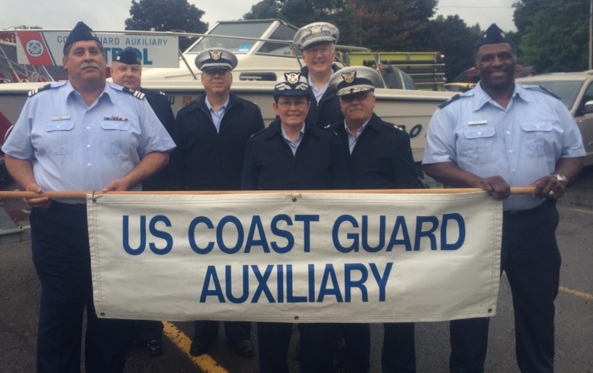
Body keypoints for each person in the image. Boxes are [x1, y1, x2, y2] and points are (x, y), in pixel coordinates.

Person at [2, 21, 175, 373]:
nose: (88, 57)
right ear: (65, 62)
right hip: (56, 223)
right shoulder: (40, 103)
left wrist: (129, 180)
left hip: (114, 221)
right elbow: (15, 154)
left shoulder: (135, 104)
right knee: (58, 313)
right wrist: (29, 185)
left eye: (94, 51)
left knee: (110, 315)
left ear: (105, 64)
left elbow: (160, 151)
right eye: (79, 52)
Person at [422, 23, 585, 373]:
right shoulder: (453, 111)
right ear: (476, 66)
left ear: (515, 61)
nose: (497, 62)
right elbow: (436, 163)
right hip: (476, 225)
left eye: (504, 56)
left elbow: (574, 154)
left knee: (538, 308)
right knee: (469, 310)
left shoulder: (549, 106)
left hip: (534, 224)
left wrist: (560, 177)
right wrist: (476, 181)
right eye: (488, 58)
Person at [242, 72, 347, 373]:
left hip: (319, 250)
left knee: (318, 331)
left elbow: (343, 194)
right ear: (275, 107)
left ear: (309, 106)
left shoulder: (329, 142)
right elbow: (246, 196)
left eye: (299, 102)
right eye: (286, 102)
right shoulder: (257, 143)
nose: (293, 108)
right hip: (272, 253)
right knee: (273, 330)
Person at [169, 47, 264, 359]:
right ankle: (204, 334)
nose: (217, 76)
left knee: (239, 271)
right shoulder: (186, 116)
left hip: (240, 205)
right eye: (211, 72)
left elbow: (258, 160)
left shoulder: (250, 113)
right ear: (203, 78)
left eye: (222, 71)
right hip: (200, 208)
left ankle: (240, 334)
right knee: (204, 272)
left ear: (230, 77)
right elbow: (178, 163)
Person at [327, 66, 422, 373]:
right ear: (340, 103)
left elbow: (410, 189)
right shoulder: (327, 137)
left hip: (387, 239)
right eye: (348, 97)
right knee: (353, 313)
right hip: (343, 241)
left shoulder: (394, 138)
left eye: (361, 95)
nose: (355, 102)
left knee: (397, 312)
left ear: (373, 100)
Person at [110, 47, 176, 357]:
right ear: (112, 71)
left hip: (151, 199)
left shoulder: (159, 102)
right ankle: (120, 330)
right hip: (114, 201)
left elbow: (169, 152)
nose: (129, 75)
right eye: (122, 68)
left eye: (134, 69)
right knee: (118, 268)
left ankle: (151, 330)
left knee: (151, 269)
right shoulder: (102, 100)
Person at [294, 21, 343, 126]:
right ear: (304, 57)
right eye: (312, 51)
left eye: (324, 50)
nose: (319, 56)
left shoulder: (346, 85)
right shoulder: (293, 87)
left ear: (333, 54)